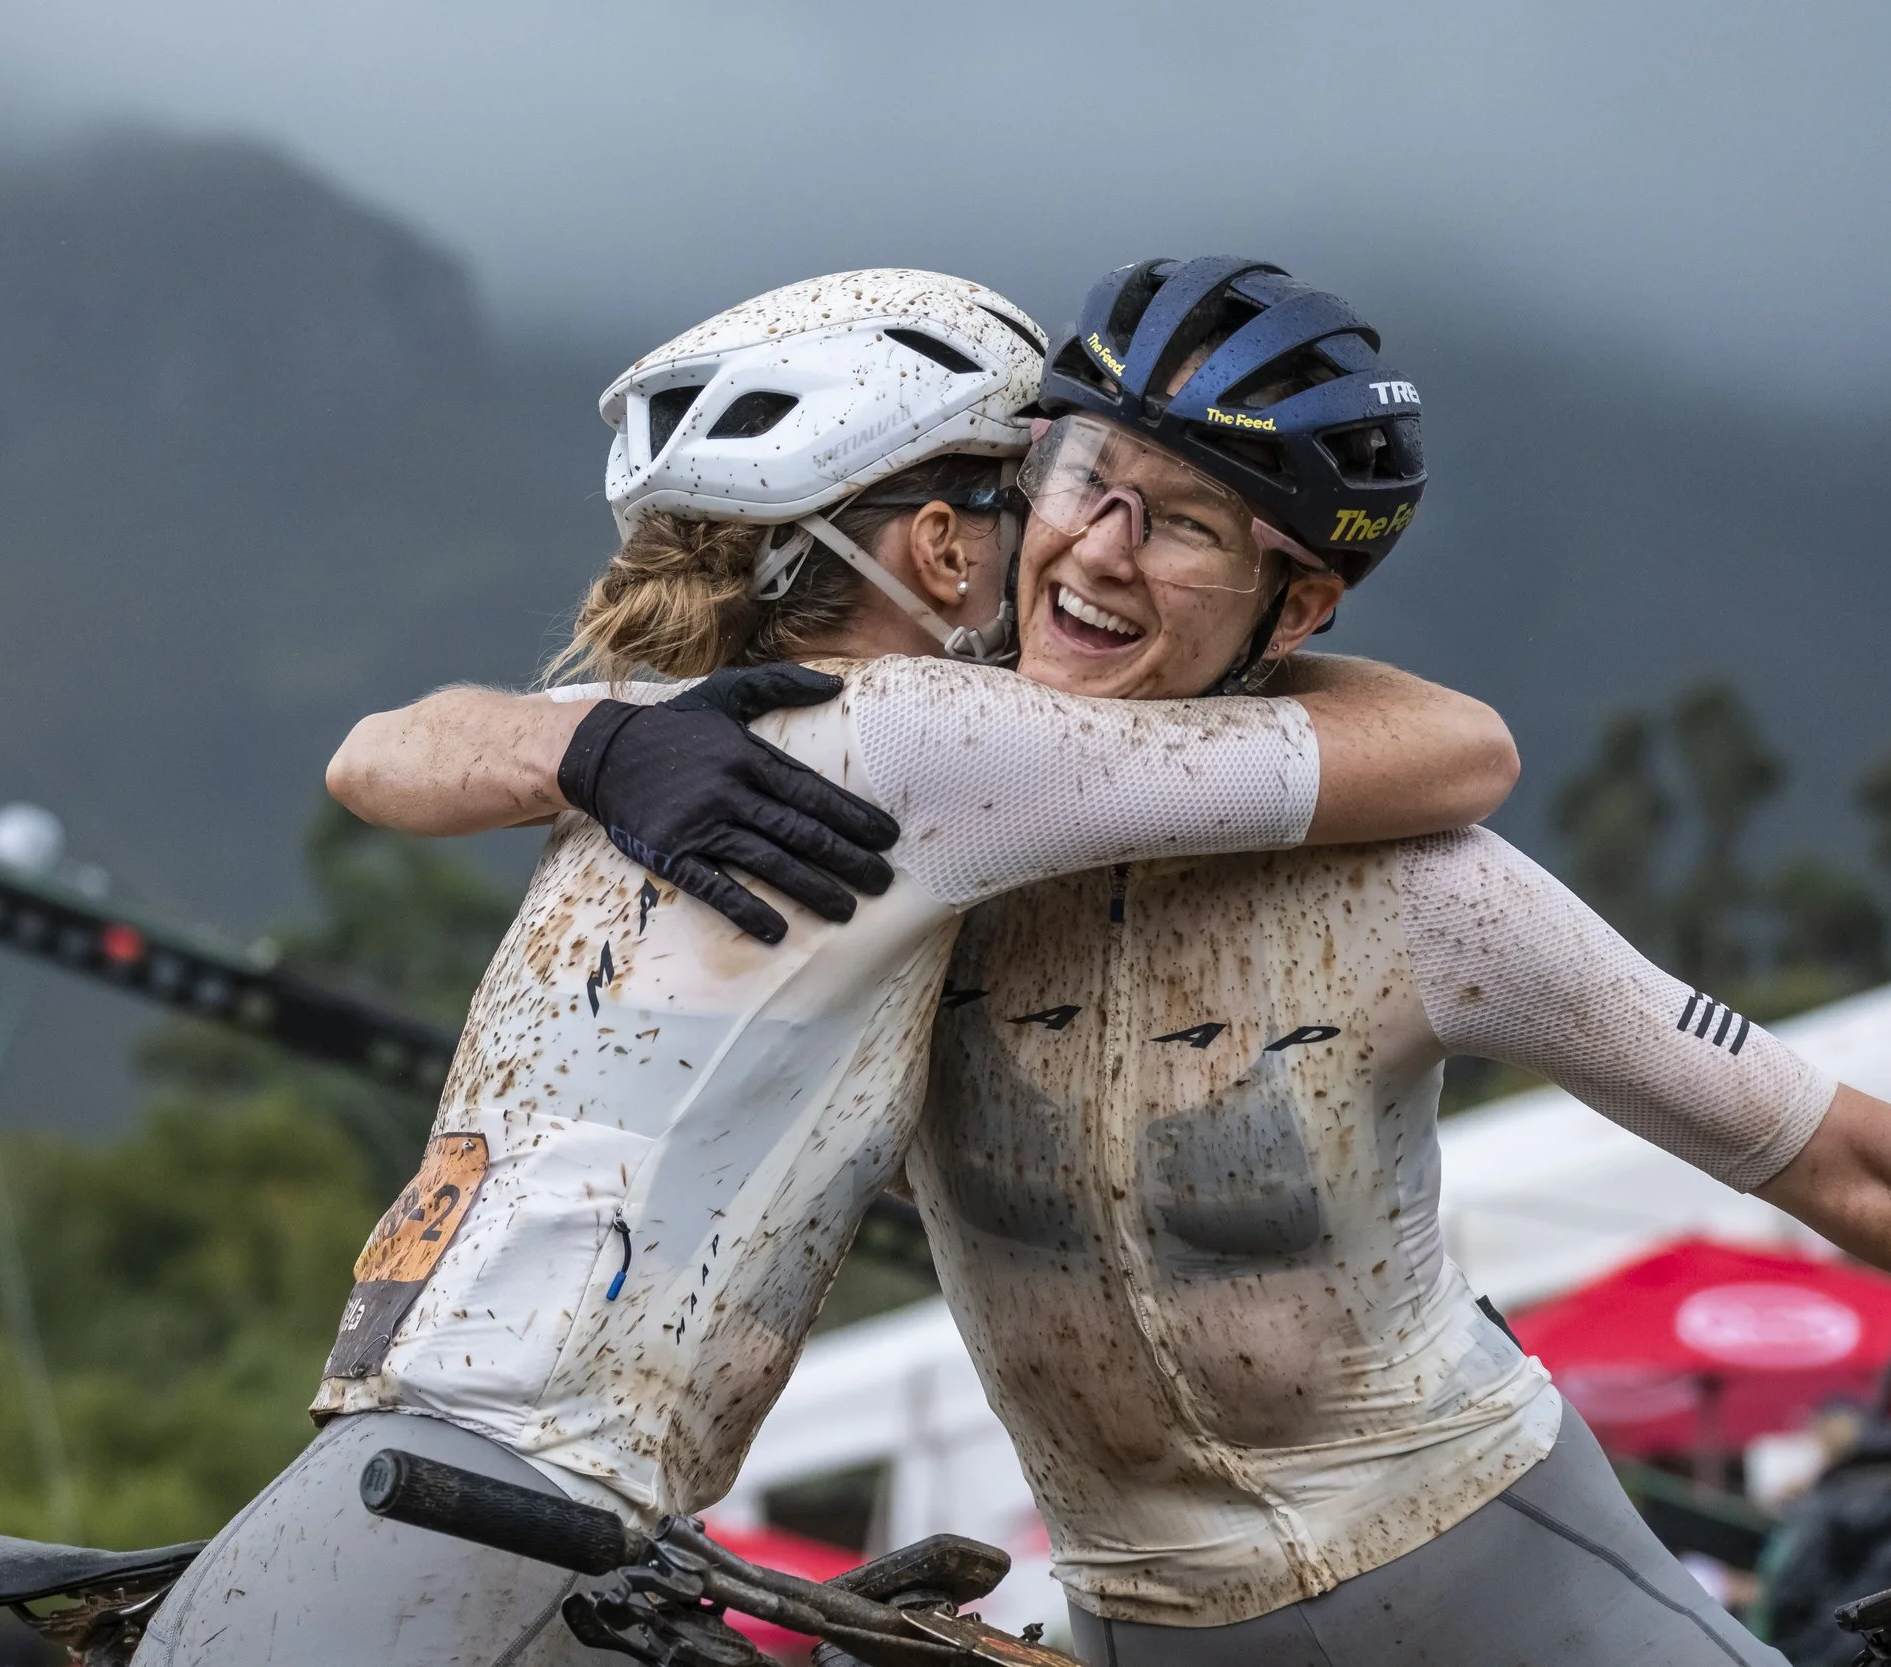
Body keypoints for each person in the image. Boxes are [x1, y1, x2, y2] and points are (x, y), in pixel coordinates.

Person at [386, 255, 1891, 1667]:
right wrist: (589, 749)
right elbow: (402, 744)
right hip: (1139, 1617)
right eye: (1082, 479)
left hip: (1495, 1572)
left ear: (1296, 606)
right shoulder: (884, 785)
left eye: (1188, 521)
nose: (1096, 547)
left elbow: (1852, 1163)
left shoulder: (1422, 885)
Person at [129, 269, 1513, 1667]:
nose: (1072, 540)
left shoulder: (677, 732)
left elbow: (378, 751)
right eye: (1027, 495)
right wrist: (1275, 618)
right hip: (521, 1492)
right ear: (938, 544)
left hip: (389, 1455)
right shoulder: (938, 740)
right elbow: (1468, 754)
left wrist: (591, 747)